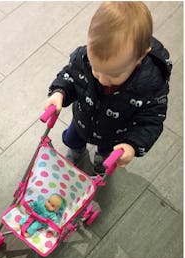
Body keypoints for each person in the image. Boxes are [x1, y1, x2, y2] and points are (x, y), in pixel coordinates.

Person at [45, 1, 172, 175]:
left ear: (140, 57)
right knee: (73, 139)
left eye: (114, 74)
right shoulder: (84, 59)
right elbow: (70, 76)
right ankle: (76, 151)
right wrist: (59, 92)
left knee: (106, 150)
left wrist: (132, 146)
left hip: (114, 131)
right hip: (83, 118)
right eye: (96, 70)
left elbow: (151, 120)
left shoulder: (150, 85)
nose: (103, 79)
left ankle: (102, 159)